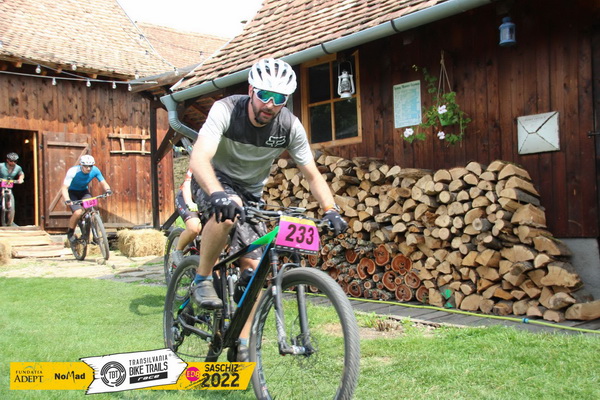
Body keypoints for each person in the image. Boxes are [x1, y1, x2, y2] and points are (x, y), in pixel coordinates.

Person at [188, 58, 348, 360]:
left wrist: (331, 208)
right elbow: (199, 158)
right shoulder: (226, 110)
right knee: (227, 212)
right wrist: (218, 194)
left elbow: (312, 175)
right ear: (251, 90)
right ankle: (203, 278)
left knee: (255, 269)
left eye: (279, 98)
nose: (270, 104)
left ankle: (243, 343)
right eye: (264, 95)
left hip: (250, 192)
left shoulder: (289, 125)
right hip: (213, 180)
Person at [61, 155, 112, 243]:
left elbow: (103, 182)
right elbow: (64, 188)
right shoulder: (73, 171)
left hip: (84, 192)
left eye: (90, 166)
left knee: (91, 209)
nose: (88, 168)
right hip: (72, 193)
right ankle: (70, 232)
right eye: (86, 166)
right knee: (78, 212)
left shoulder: (95, 170)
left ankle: (94, 233)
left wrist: (108, 190)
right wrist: (67, 199)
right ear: (81, 165)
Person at [171, 168, 202, 265]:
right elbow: (187, 184)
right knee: (194, 227)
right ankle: (178, 251)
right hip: (187, 197)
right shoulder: (200, 161)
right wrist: (189, 202)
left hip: (205, 199)